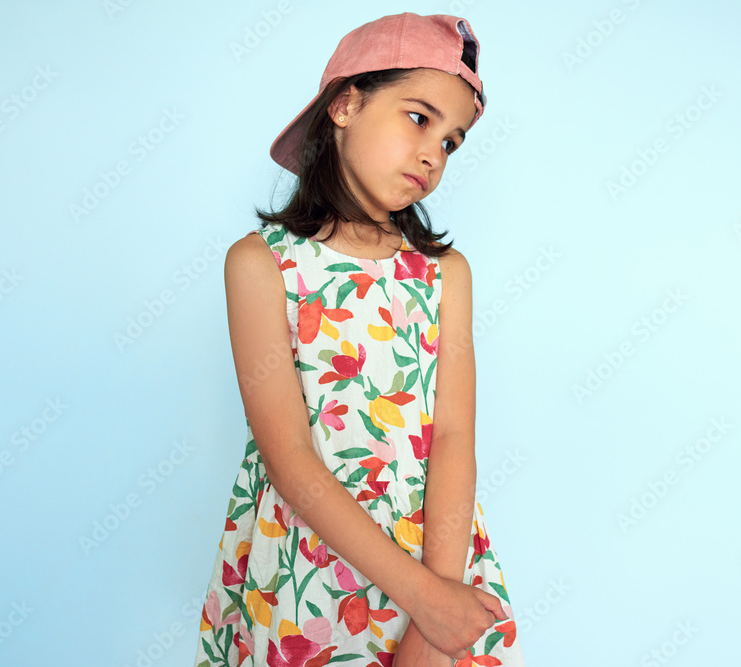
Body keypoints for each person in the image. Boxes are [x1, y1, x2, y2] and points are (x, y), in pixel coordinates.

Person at [194, 12, 525, 667]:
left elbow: (453, 437)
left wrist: (437, 607)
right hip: (306, 570)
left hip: (435, 553)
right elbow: (289, 458)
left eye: (452, 142)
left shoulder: (444, 275)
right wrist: (424, 596)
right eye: (419, 118)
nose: (434, 153)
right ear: (345, 105)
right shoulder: (261, 265)